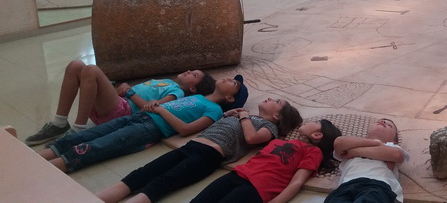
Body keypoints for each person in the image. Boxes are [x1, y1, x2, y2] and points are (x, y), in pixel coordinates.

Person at [96, 97, 303, 203]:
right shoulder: (244, 116)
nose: (270, 99)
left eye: (276, 102)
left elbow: (251, 138)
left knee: (162, 183)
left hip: (208, 155)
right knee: (141, 174)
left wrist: (243, 116)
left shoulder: (269, 127)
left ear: (277, 116)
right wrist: (227, 115)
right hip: (193, 145)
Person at [38, 75, 248, 173]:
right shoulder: (198, 96)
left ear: (230, 98)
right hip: (140, 117)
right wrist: (157, 104)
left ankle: (42, 171)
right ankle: (37, 158)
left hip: (149, 128)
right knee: (87, 135)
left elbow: (185, 130)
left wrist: (161, 110)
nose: (228, 78)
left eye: (234, 83)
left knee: (97, 146)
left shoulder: (214, 110)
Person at [25, 62, 214, 145]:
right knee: (76, 66)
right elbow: (120, 93)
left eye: (194, 75)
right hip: (114, 104)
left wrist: (129, 91)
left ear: (193, 88)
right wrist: (120, 89)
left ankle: (78, 129)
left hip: (123, 112)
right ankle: (59, 122)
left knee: (91, 69)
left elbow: (151, 109)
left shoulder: (177, 92)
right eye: (191, 70)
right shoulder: (166, 81)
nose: (189, 71)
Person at [191, 119, 342, 203]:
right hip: (236, 175)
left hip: (257, 189)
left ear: (317, 134)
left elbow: (297, 181)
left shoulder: (313, 151)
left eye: (316, 122)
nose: (310, 121)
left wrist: (276, 202)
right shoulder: (279, 141)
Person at [324, 118, 410, 203]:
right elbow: (338, 142)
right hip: (345, 186)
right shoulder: (355, 143)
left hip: (377, 185)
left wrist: (353, 152)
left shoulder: (391, 146)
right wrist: (377, 143)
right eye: (378, 121)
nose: (383, 122)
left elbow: (397, 155)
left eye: (389, 125)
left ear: (394, 141)